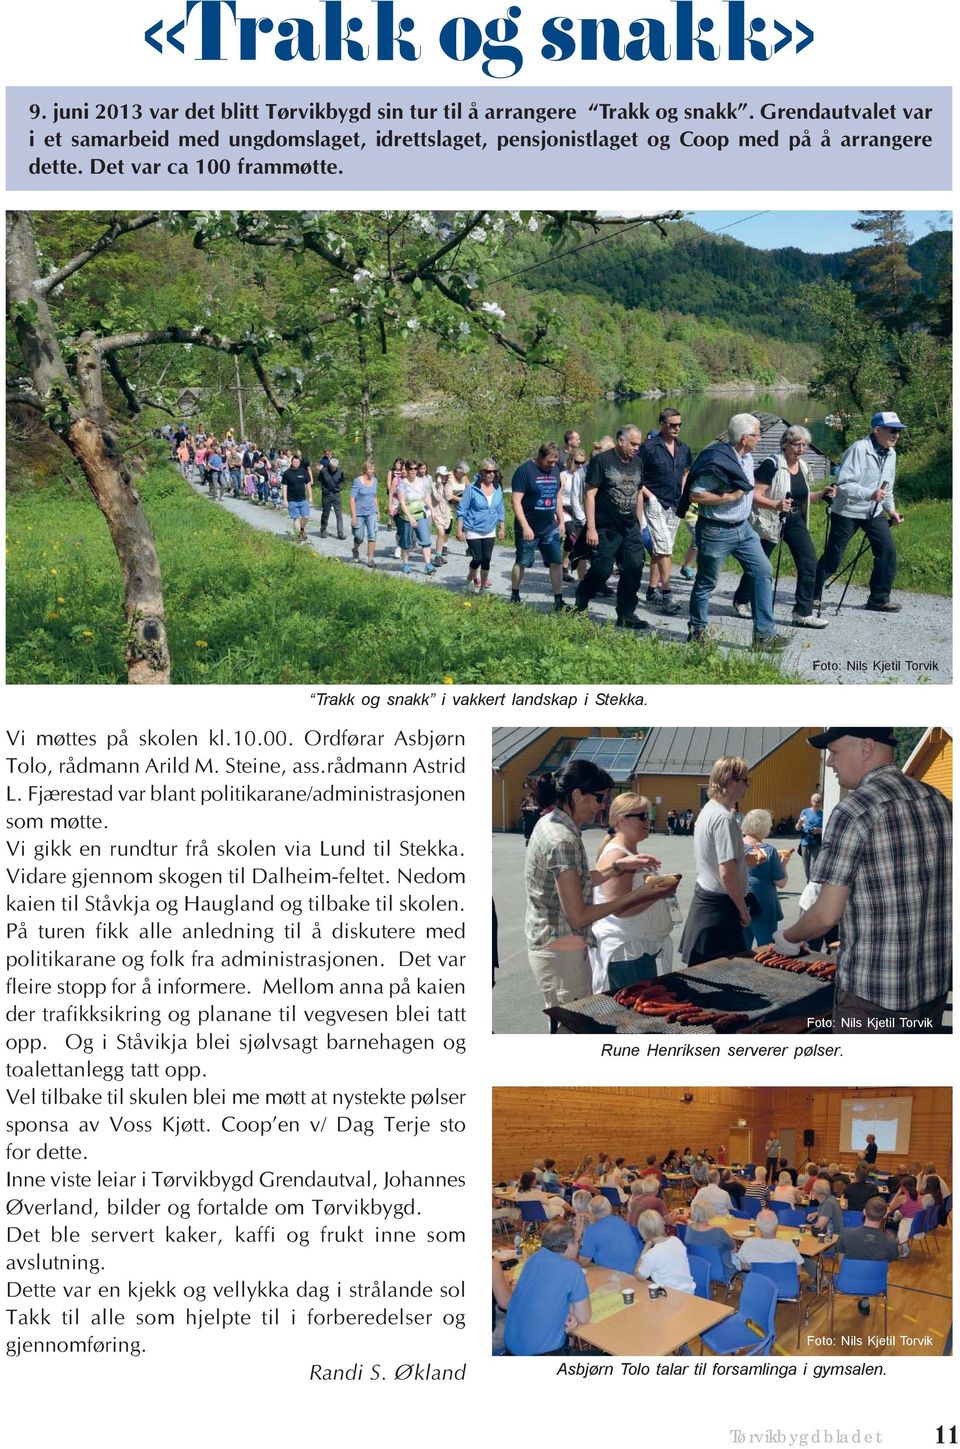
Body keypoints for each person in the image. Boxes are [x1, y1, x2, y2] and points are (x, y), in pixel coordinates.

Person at [776, 729, 952, 1031]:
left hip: (872, 996)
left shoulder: (854, 810)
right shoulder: (940, 801)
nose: (830, 762)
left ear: (866, 747)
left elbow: (825, 914)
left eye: (834, 751)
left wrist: (787, 938)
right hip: (933, 989)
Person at [523, 762, 676, 1019]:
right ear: (576, 795)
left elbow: (577, 881)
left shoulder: (551, 824)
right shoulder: (563, 839)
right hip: (562, 952)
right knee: (573, 1027)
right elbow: (578, 916)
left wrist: (618, 866)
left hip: (557, 947)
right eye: (599, 798)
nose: (601, 806)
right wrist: (637, 895)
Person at [684, 414, 786, 651]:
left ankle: (763, 636)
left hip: (743, 529)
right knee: (706, 582)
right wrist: (729, 497)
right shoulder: (718, 462)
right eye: (757, 434)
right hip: (715, 531)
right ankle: (697, 630)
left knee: (763, 571)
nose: (760, 438)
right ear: (743, 438)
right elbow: (696, 494)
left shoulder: (747, 458)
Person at [731, 425, 833, 629]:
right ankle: (741, 600)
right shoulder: (772, 464)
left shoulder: (802, 466)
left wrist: (821, 495)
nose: (801, 449)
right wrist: (776, 505)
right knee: (759, 565)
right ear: (786, 444)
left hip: (795, 519)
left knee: (809, 563)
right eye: (796, 444)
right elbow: (754, 495)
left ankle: (802, 613)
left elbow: (800, 496)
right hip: (769, 520)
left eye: (804, 445)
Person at [813, 412, 906, 613]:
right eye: (892, 430)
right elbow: (843, 484)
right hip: (847, 510)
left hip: (874, 512)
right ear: (877, 430)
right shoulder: (859, 449)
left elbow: (886, 488)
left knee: (887, 551)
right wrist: (869, 494)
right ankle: (811, 593)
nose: (896, 435)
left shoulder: (891, 453)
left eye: (898, 431)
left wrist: (891, 510)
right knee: (833, 557)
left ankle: (879, 599)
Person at [589, 792, 678, 992]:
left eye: (648, 815)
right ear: (622, 820)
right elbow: (620, 908)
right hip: (628, 951)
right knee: (641, 1013)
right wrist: (659, 893)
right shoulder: (618, 854)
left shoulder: (628, 852)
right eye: (642, 816)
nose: (648, 820)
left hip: (636, 947)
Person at [573, 424, 650, 631]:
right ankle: (581, 600)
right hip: (605, 526)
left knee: (634, 567)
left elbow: (638, 492)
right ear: (621, 440)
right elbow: (589, 495)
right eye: (633, 444)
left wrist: (639, 523)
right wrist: (590, 528)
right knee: (601, 570)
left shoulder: (638, 462)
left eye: (639, 444)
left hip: (630, 526)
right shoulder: (602, 461)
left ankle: (626, 613)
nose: (636, 448)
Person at [679, 755, 752, 966]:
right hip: (718, 912)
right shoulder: (724, 818)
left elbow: (716, 858)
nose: (747, 786)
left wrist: (743, 861)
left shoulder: (709, 810)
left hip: (707, 904)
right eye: (745, 781)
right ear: (730, 783)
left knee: (706, 980)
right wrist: (743, 910)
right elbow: (726, 873)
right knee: (721, 981)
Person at [502, 1220, 591, 1356]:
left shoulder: (532, 1259)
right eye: (577, 1242)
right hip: (543, 1354)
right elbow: (584, 1317)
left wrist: (566, 1311)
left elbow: (541, 1296)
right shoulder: (572, 1268)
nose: (580, 1245)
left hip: (511, 1350)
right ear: (568, 1246)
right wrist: (571, 1310)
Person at [639, 408, 691, 616]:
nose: (676, 428)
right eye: (672, 424)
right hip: (654, 501)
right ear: (662, 424)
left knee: (661, 549)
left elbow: (685, 472)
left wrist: (685, 495)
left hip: (674, 503)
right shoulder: (649, 448)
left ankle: (652, 590)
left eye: (679, 424)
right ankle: (667, 593)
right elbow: (636, 476)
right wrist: (649, 497)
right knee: (664, 547)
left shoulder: (684, 448)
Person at [510, 443, 567, 612]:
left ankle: (558, 600)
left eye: (555, 462)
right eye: (549, 461)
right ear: (540, 457)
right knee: (522, 561)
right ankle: (515, 594)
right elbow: (515, 501)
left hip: (549, 526)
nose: (552, 465)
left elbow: (557, 497)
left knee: (556, 561)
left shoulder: (555, 470)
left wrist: (561, 520)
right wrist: (525, 527)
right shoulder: (524, 471)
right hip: (529, 526)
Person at [835, 1197, 899, 1313]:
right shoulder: (891, 1240)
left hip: (847, 1281)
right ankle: (865, 1299)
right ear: (885, 1215)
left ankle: (865, 1297)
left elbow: (841, 1260)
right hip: (875, 1284)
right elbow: (889, 1260)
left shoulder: (846, 1233)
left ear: (864, 1212)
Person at [456, 459, 505, 594]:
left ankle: (482, 588)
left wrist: (502, 527)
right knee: (477, 558)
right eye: (488, 471)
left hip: (490, 529)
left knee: (487, 559)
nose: (491, 474)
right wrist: (459, 529)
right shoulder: (472, 488)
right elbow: (462, 509)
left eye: (493, 471)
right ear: (482, 472)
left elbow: (500, 508)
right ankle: (468, 581)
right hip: (473, 529)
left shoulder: (497, 488)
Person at [741, 809, 787, 949]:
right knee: (767, 947)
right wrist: (783, 863)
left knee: (741, 948)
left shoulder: (736, 846)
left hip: (740, 902)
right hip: (763, 905)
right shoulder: (769, 851)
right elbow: (781, 882)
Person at [634, 1211, 695, 1293]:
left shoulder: (651, 1254)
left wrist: (646, 1247)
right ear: (662, 1224)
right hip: (689, 1292)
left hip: (670, 1295)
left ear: (643, 1233)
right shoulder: (676, 1240)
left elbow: (638, 1276)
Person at [578, 1197, 640, 1273]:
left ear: (591, 1213)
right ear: (610, 1208)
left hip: (615, 1274)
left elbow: (583, 1262)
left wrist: (576, 1237)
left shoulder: (591, 1230)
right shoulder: (622, 1222)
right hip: (635, 1270)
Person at [395, 460, 436, 575]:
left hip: (420, 514)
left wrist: (432, 509)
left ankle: (428, 565)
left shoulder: (422, 481)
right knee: (406, 542)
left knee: (425, 539)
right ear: (407, 470)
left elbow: (426, 497)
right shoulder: (402, 484)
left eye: (415, 468)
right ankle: (406, 564)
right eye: (411, 469)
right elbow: (402, 503)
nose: (413, 471)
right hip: (406, 517)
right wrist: (410, 518)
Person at [737, 1209, 804, 1275]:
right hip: (782, 1284)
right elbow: (798, 1271)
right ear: (777, 1225)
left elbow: (742, 1265)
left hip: (757, 1284)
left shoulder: (748, 1243)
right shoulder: (790, 1246)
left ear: (758, 1226)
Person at [685, 1200, 739, 1279]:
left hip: (698, 1269)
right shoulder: (718, 1232)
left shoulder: (689, 1229)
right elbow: (733, 1249)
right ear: (710, 1213)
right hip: (722, 1271)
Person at [349, 459, 381, 568]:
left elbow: (375, 497)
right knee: (359, 536)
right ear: (365, 470)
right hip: (359, 513)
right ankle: (355, 550)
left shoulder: (375, 481)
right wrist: (353, 516)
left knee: (372, 534)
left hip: (371, 512)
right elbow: (352, 499)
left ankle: (370, 559)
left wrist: (378, 511)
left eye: (373, 469)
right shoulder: (357, 481)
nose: (373, 471)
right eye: (370, 469)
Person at [280, 453, 313, 541]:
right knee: (296, 518)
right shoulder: (287, 473)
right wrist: (285, 500)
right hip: (292, 500)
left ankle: (302, 529)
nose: (296, 463)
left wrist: (310, 496)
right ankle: (298, 536)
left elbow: (308, 484)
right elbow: (284, 486)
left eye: (298, 461)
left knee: (306, 516)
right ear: (292, 462)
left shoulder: (304, 471)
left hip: (302, 499)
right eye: (295, 461)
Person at [796, 793, 824, 883]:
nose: (818, 803)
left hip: (816, 842)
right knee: (806, 866)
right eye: (816, 801)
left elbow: (827, 828)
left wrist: (820, 830)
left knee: (813, 867)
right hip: (805, 841)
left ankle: (811, 885)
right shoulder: (805, 812)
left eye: (819, 802)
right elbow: (797, 828)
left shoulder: (823, 814)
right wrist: (800, 823)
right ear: (811, 802)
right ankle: (809, 881)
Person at [318, 453, 346, 539]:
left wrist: (339, 488)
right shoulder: (324, 471)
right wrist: (324, 489)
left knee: (339, 514)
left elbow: (342, 481)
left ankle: (340, 534)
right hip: (326, 495)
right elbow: (320, 480)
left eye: (335, 467)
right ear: (330, 465)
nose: (334, 468)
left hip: (336, 494)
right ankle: (323, 530)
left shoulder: (340, 472)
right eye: (332, 467)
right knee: (325, 513)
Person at [430, 465, 454, 563]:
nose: (444, 477)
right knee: (441, 532)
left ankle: (439, 555)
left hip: (445, 512)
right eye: (442, 475)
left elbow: (449, 497)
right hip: (436, 512)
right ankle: (437, 556)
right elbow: (438, 498)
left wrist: (447, 484)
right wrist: (439, 485)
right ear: (438, 475)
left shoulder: (447, 484)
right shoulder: (433, 485)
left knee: (443, 534)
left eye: (445, 475)